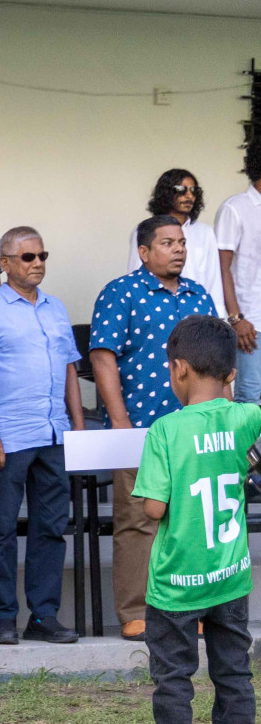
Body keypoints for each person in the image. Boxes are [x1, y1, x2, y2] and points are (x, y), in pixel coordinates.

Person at [120, 315, 258, 724]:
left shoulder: (165, 430)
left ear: (178, 370)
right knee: (234, 675)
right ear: (231, 373)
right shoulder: (246, 417)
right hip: (231, 576)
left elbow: (155, 507)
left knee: (174, 679)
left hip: (177, 583)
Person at [89, 214, 217, 641]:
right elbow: (103, 356)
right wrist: (120, 422)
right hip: (139, 428)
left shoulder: (199, 296)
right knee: (138, 520)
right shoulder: (121, 292)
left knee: (190, 521)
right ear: (144, 252)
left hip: (192, 429)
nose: (178, 249)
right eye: (167, 242)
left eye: (181, 242)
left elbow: (217, 363)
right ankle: (136, 611)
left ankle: (188, 609)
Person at [0, 226, 84, 646]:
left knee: (51, 527)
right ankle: (2, 619)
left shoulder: (55, 308)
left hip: (54, 433)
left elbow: (70, 367)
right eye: (28, 257)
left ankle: (44, 616)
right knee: (0, 530)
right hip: (9, 437)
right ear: (5, 263)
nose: (37, 264)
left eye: (42, 255)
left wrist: (79, 428)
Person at [128, 169, 222, 316]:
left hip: (198, 313)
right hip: (156, 312)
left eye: (193, 190)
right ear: (166, 193)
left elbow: (214, 280)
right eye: (181, 190)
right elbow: (135, 275)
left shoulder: (205, 232)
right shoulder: (144, 229)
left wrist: (219, 320)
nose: (189, 196)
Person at [214, 142, 261, 403]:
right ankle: (246, 447)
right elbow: (221, 268)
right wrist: (236, 318)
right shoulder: (236, 208)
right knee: (250, 400)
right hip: (252, 325)